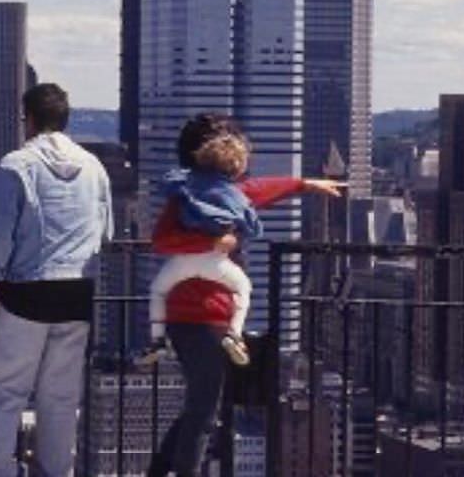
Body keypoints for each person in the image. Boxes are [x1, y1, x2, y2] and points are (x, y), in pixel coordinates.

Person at [146, 113, 342, 477]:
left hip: (202, 314)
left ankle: (159, 471)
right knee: (205, 409)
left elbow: (264, 188)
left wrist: (305, 184)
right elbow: (161, 240)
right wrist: (212, 242)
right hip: (198, 315)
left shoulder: (223, 193)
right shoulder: (190, 195)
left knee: (201, 404)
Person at [0, 83, 113, 477]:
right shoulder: (95, 167)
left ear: (30, 119)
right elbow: (105, 234)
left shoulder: (16, 165)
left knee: (5, 393)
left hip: (25, 290)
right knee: (60, 396)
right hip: (77, 292)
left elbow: (0, 234)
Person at [142, 132, 262, 367]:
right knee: (243, 288)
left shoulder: (185, 186)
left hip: (181, 262)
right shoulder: (235, 195)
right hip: (216, 262)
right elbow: (254, 228)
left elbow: (167, 195)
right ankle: (235, 334)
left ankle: (157, 339)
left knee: (158, 290)